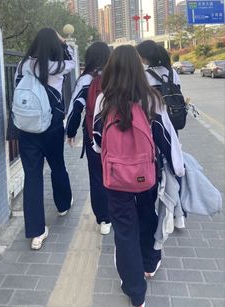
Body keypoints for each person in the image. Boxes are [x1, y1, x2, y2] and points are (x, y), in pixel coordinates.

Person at [92, 45, 185, 307]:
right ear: (139, 70)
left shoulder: (103, 100)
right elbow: (167, 140)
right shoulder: (152, 100)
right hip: (147, 175)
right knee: (147, 217)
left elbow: (98, 141)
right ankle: (150, 263)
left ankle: (135, 291)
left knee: (124, 230)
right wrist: (178, 171)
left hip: (115, 178)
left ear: (111, 70)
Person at [15, 28, 75, 250]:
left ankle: (36, 232)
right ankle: (62, 204)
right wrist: (64, 41)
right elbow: (73, 59)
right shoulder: (56, 66)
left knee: (32, 177)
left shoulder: (22, 66)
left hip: (26, 129)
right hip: (51, 127)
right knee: (57, 165)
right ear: (53, 45)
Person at [66, 41, 111, 235]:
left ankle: (104, 219)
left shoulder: (86, 80)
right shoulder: (118, 76)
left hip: (95, 136)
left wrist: (70, 131)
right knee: (117, 170)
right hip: (120, 135)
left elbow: (76, 109)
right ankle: (122, 210)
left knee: (97, 175)